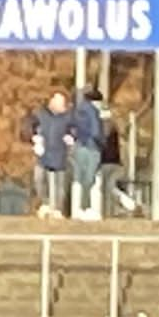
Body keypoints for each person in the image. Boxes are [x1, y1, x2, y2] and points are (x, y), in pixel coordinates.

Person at [95, 91, 139, 216]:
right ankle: (109, 211)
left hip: (109, 162)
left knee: (109, 187)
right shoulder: (112, 125)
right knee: (106, 188)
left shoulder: (108, 126)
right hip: (111, 162)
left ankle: (129, 205)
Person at [34, 91, 73, 219]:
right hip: (43, 154)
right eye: (57, 102)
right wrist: (34, 138)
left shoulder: (68, 117)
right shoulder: (41, 115)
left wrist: (71, 136)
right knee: (39, 179)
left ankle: (58, 209)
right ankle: (44, 204)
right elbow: (30, 126)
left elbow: (74, 129)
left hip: (60, 153)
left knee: (60, 185)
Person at [70, 87, 104, 221]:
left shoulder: (77, 111)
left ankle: (77, 209)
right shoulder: (93, 111)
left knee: (79, 178)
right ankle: (87, 207)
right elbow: (96, 131)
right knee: (89, 180)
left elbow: (72, 128)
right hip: (92, 147)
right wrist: (102, 143)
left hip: (79, 146)